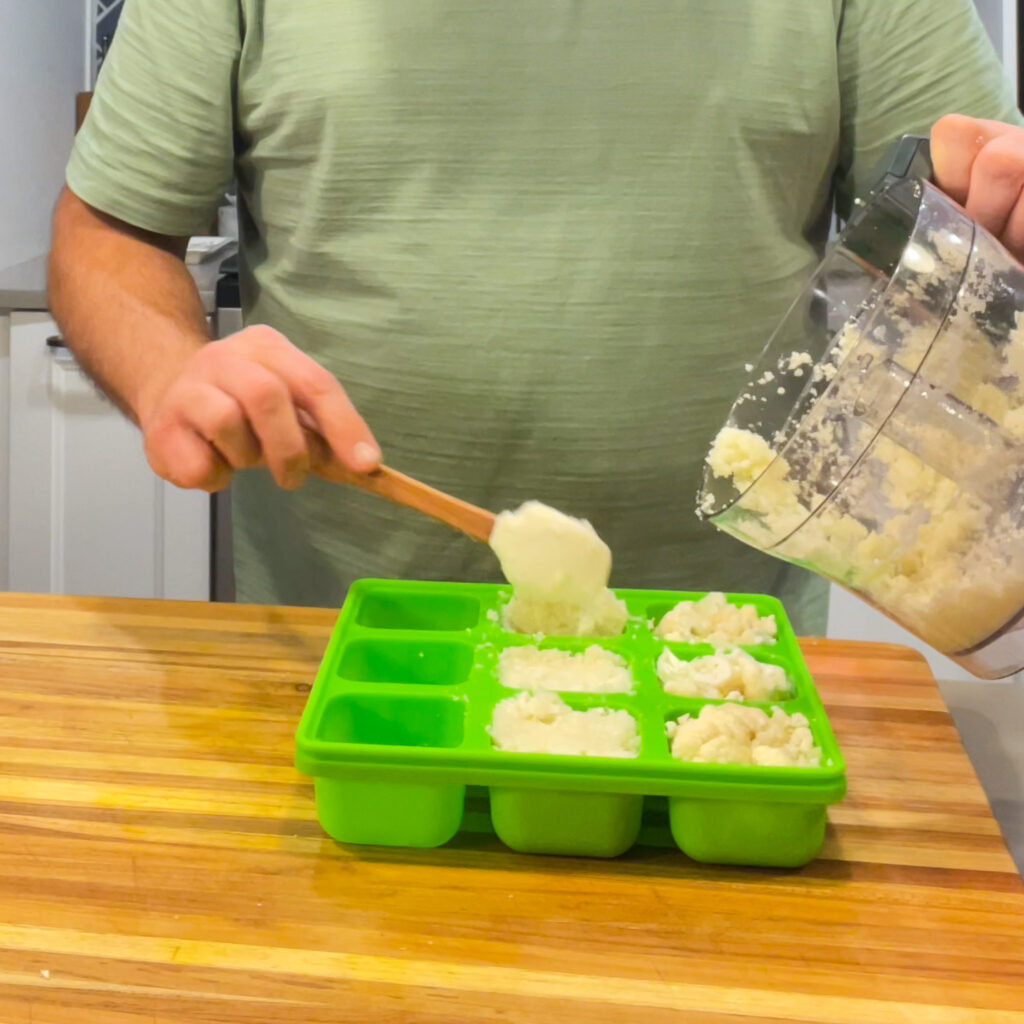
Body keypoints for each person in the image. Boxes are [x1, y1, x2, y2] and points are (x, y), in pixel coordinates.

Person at [49, 0, 1023, 631]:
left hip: (720, 661)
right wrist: (171, 369)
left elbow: (968, 223)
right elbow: (109, 235)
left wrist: (992, 221)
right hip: (342, 646)